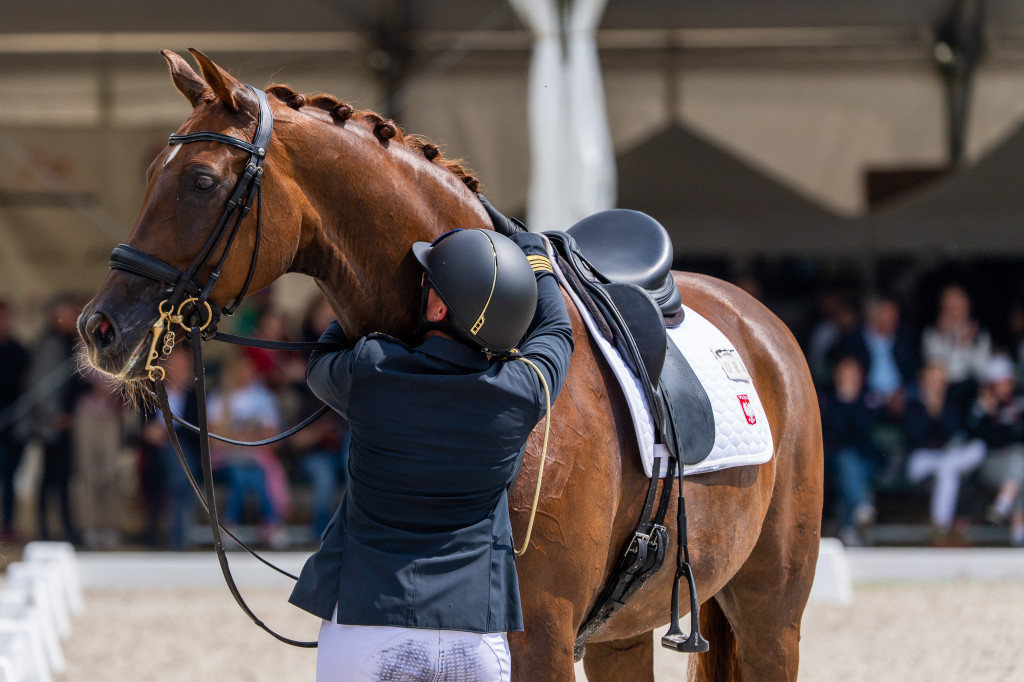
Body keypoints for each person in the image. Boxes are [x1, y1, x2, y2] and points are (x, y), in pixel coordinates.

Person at [289, 228, 573, 681]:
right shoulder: (523, 392)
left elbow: (321, 360)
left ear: (438, 308)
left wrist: (383, 301)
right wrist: (536, 257)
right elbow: (557, 330)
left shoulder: (371, 368)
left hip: (369, 623)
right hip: (475, 638)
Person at [18, 296, 85, 545]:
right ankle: (49, 530)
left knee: (60, 479)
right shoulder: (50, 344)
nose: (72, 320)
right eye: (68, 315)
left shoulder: (65, 342)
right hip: (52, 425)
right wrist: (55, 415)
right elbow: (40, 387)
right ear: (56, 316)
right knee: (51, 480)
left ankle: (61, 529)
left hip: (61, 423)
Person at [904, 363, 985, 543]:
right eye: (933, 380)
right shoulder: (913, 404)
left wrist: (940, 408)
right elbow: (914, 437)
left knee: (969, 454)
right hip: (920, 460)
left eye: (941, 381)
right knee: (948, 469)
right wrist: (931, 410)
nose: (937, 385)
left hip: (947, 458)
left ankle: (940, 525)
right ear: (923, 380)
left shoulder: (951, 404)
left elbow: (953, 434)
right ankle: (941, 527)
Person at [820, 355, 882, 546]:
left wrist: (849, 401)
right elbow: (833, 431)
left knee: (851, 468)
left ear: (860, 376)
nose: (848, 378)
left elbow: (863, 430)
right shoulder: (827, 400)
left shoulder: (868, 398)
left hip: (866, 460)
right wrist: (843, 400)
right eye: (844, 373)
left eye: (852, 374)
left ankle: (849, 528)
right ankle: (862, 507)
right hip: (833, 460)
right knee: (846, 462)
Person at [968, 355, 1024, 545]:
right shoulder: (980, 405)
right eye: (999, 383)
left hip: (1014, 463)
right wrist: (988, 412)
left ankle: (1004, 510)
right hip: (990, 463)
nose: (1004, 387)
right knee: (1020, 466)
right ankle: (1017, 528)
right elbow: (977, 438)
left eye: (1007, 382)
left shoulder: (1018, 400)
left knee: (1019, 469)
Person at [921, 284, 992, 421]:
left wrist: (966, 345)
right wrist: (944, 338)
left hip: (970, 387)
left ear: (967, 306)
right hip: (945, 388)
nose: (954, 311)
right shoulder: (932, 332)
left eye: (958, 305)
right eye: (949, 306)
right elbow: (933, 364)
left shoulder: (979, 333)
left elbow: (982, 370)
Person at [0, 300, 28, 542]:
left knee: (9, 478)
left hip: (13, 427)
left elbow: (26, 386)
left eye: (7, 317)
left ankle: (8, 525)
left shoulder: (19, 351)